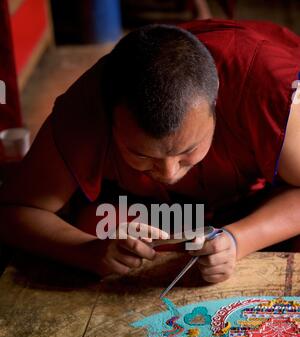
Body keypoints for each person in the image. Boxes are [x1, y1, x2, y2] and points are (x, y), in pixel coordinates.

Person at [1, 19, 300, 283]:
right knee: (94, 223)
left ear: (216, 103)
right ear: (110, 121)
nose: (169, 173)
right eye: (142, 155)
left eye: (188, 151)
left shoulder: (265, 90)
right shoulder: (86, 108)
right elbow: (16, 212)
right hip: (155, 209)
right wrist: (86, 251)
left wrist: (238, 240)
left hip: (257, 198)